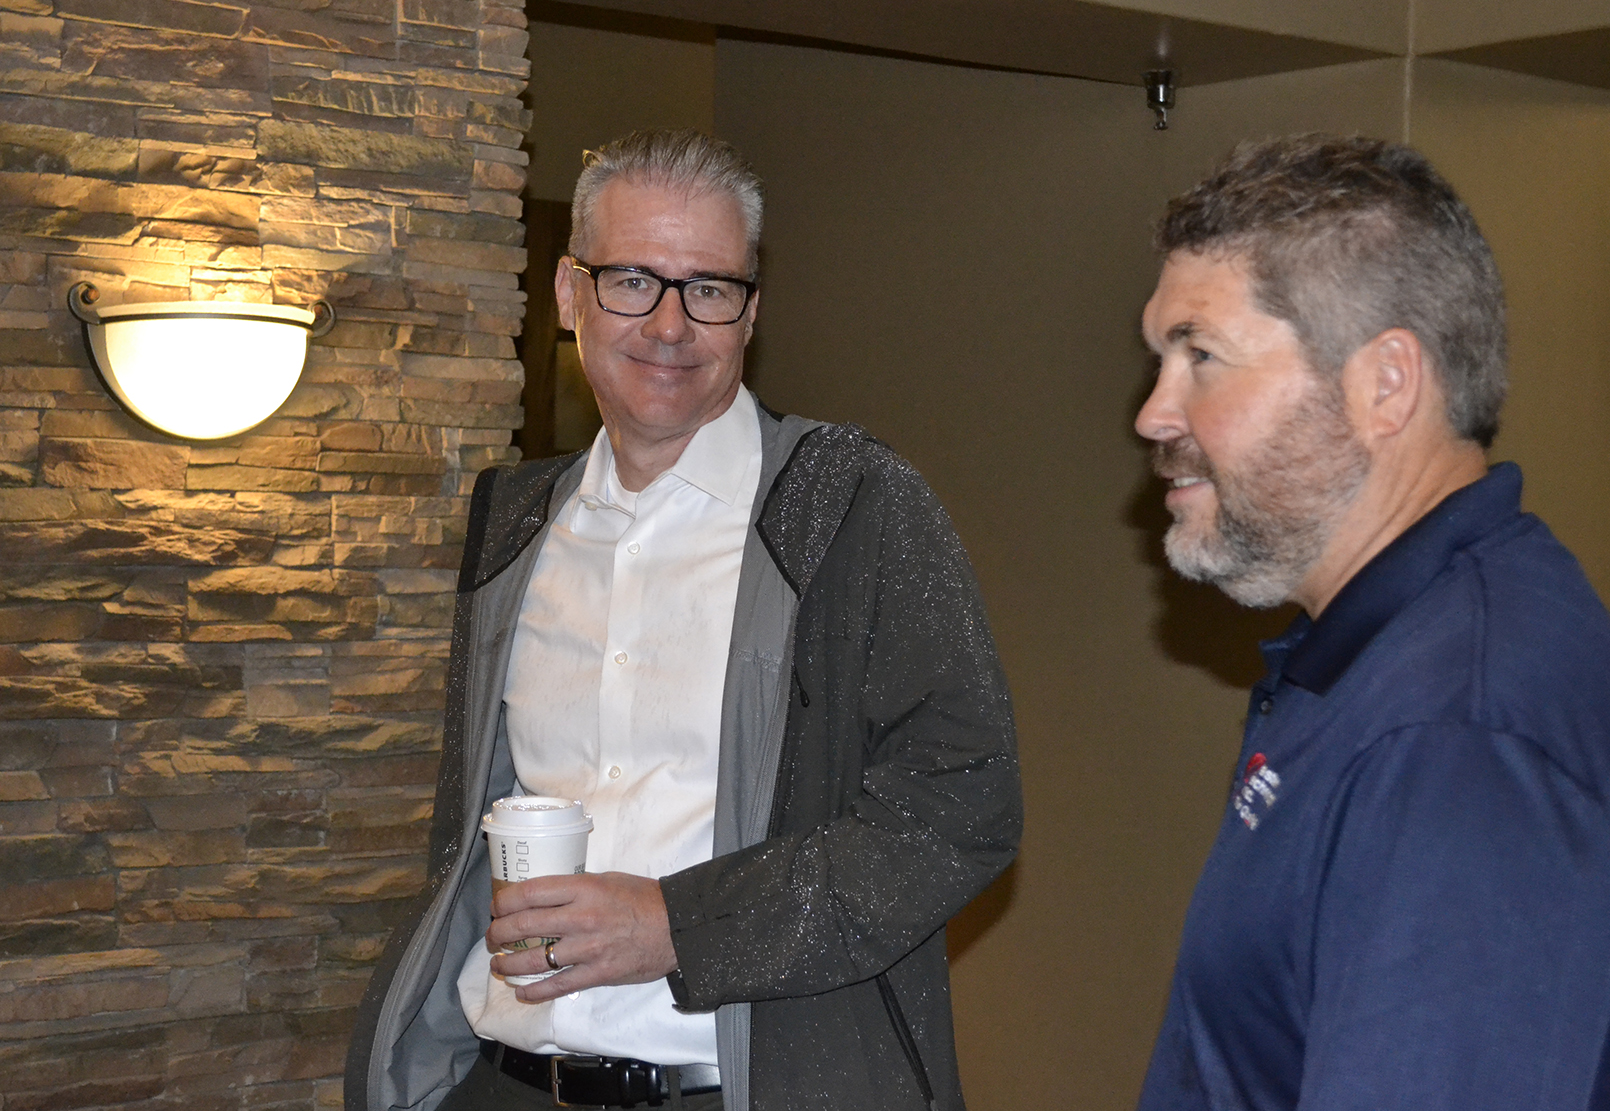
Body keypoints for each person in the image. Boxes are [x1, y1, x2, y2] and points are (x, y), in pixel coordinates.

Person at [345, 129, 1021, 1111]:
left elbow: (965, 805)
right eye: (631, 281)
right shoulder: (514, 523)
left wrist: (679, 926)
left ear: (751, 312)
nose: (669, 325)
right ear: (569, 293)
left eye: (708, 288)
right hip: (505, 1081)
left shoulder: (852, 508)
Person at [1132, 132, 1610, 1111]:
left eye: (1201, 356)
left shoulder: (1457, 733)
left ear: (1384, 385)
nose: (1154, 414)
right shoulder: (1378, 653)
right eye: (1160, 360)